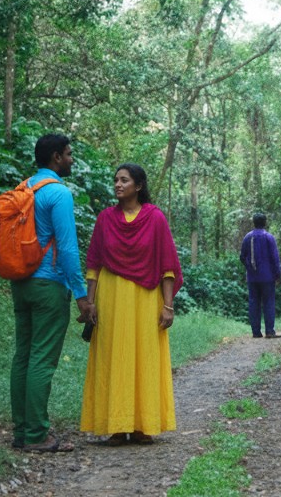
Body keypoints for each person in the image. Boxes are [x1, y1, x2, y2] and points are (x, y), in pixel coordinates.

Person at [80, 163, 184, 446]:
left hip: (146, 298)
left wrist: (168, 305)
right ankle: (115, 425)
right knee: (114, 357)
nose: (117, 184)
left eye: (124, 180)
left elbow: (167, 266)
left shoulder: (155, 218)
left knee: (144, 357)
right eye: (115, 180)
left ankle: (142, 425)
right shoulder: (105, 219)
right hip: (112, 297)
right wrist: (90, 302)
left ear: (138, 186)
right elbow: (94, 264)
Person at [11, 133, 94, 453]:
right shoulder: (58, 192)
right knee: (42, 360)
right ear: (57, 157)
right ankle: (36, 435)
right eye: (70, 154)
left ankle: (21, 431)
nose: (73, 159)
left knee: (23, 356)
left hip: (21, 283)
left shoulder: (25, 188)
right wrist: (81, 295)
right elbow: (69, 249)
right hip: (49, 286)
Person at [239, 212, 281, 338]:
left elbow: (242, 256)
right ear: (265, 222)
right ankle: (269, 331)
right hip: (268, 277)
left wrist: (249, 267)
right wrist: (277, 274)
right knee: (269, 302)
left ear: (254, 222)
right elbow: (275, 258)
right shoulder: (269, 237)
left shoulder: (248, 237)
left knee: (253, 302)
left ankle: (256, 332)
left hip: (252, 277)